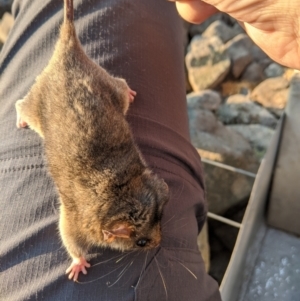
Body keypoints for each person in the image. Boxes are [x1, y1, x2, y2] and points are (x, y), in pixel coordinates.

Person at [0, 0, 298, 300]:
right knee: (54, 111)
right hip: (79, 95)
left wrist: (78, 257)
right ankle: (37, 104)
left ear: (112, 232)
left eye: (142, 241)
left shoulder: (104, 212)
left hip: (71, 97)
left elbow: (74, 226)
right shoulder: (121, 197)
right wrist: (77, 258)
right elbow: (73, 226)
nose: (155, 241)